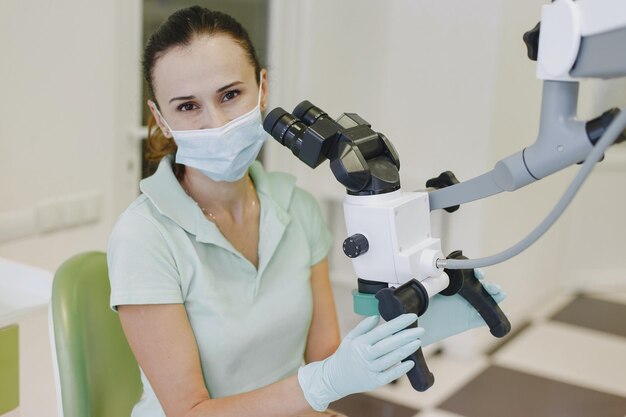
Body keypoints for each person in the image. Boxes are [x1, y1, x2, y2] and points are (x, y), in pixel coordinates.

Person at [107, 6, 506, 417]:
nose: (217, 122)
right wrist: (324, 382)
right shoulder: (144, 237)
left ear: (262, 88)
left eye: (230, 95)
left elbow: (326, 358)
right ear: (160, 117)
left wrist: (422, 324)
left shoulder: (297, 209)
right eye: (188, 107)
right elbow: (190, 411)